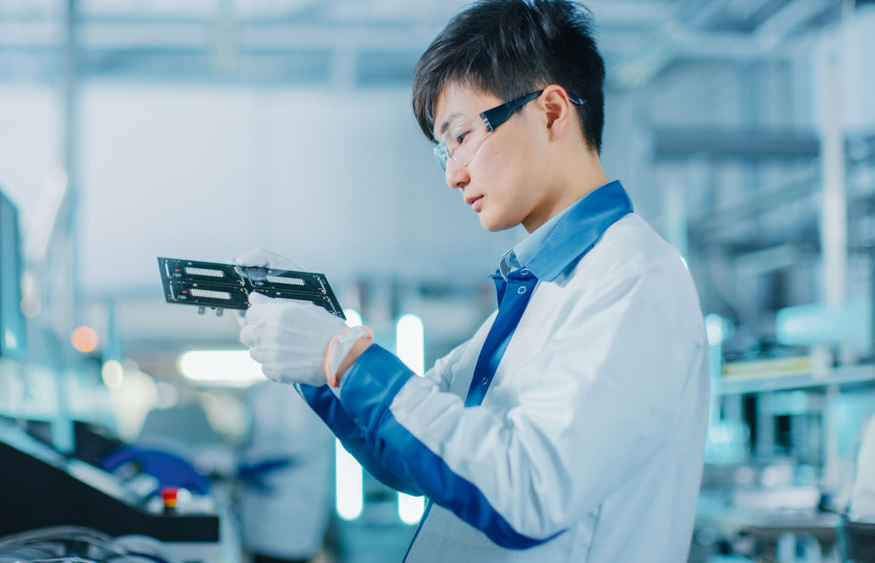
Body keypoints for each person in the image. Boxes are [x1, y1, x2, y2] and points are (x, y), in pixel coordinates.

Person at [237, 0, 711, 560]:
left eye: (460, 137)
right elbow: (411, 453)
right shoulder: (536, 294)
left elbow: (530, 490)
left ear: (553, 111)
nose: (453, 174)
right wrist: (319, 360)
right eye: (444, 152)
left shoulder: (632, 278)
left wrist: (343, 356)